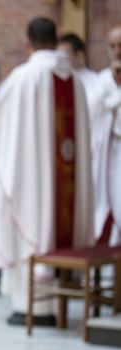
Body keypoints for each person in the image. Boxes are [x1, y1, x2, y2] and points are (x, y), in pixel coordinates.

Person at [0, 17, 94, 326]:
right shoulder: (74, 78)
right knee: (54, 227)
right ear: (55, 39)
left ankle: (31, 308)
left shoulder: (24, 77)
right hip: (64, 185)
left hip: (32, 182)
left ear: (26, 41)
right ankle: (54, 304)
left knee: (32, 225)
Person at [91, 25, 121, 245]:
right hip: (109, 152)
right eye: (112, 45)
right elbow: (94, 110)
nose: (117, 50)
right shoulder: (102, 78)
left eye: (120, 45)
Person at [57, 33, 100, 130]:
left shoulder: (97, 82)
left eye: (64, 55)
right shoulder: (55, 81)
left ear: (79, 55)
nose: (60, 59)